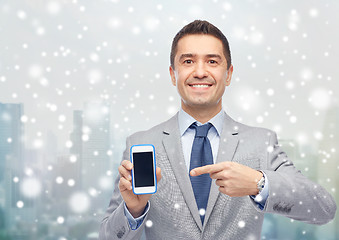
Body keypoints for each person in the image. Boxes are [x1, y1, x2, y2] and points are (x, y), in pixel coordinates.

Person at [99, 20, 336, 240]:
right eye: (188, 61)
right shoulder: (141, 143)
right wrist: (133, 209)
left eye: (212, 61)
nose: (200, 72)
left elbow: (324, 209)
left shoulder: (261, 142)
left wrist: (258, 183)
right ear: (173, 74)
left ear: (229, 74)